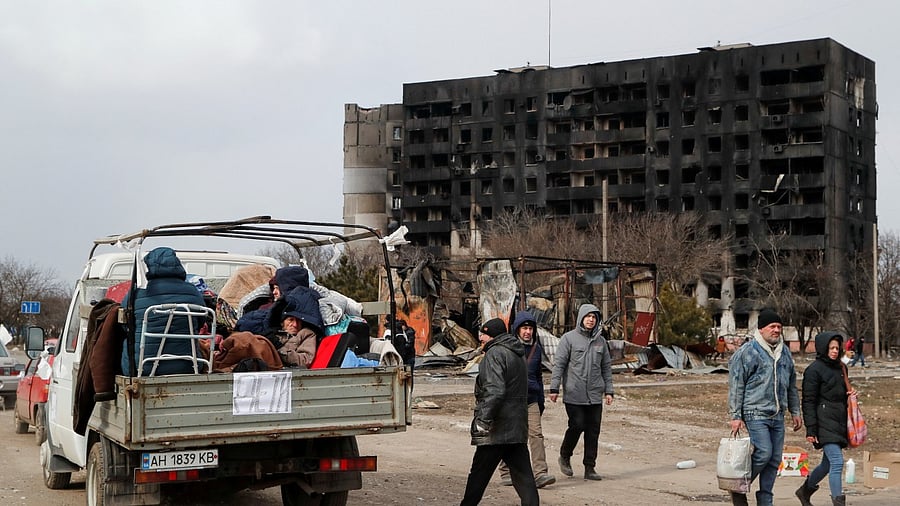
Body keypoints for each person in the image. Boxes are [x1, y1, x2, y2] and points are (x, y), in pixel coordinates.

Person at [460, 318, 539, 506]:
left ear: (492, 336)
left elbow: (495, 391)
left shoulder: (495, 353)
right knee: (524, 479)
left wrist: (483, 421)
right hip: (516, 428)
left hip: (496, 428)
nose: (480, 338)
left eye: (483, 334)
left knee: (478, 476)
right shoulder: (517, 352)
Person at [727, 308, 802, 506]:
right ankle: (738, 486)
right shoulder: (748, 351)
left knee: (775, 459)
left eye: (779, 327)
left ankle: (765, 500)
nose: (776, 330)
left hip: (778, 413)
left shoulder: (784, 352)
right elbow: (736, 384)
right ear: (761, 329)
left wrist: (795, 411)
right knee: (764, 453)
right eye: (772, 326)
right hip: (755, 411)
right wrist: (735, 415)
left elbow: (791, 384)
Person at [549, 303, 613, 481]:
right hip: (574, 393)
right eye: (588, 316)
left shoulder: (601, 342)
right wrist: (554, 388)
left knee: (593, 431)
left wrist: (609, 391)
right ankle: (565, 455)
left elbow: (606, 368)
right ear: (581, 318)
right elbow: (559, 365)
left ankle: (590, 467)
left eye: (594, 317)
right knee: (577, 425)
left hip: (594, 395)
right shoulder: (568, 339)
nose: (591, 320)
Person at [120, 247, 207, 376]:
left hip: (142, 368)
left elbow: (125, 325)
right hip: (189, 365)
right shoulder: (192, 291)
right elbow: (201, 321)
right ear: (177, 265)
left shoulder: (136, 293)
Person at [499, 311, 557, 488]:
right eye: (524, 328)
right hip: (512, 400)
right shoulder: (508, 348)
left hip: (531, 399)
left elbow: (538, 376)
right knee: (511, 435)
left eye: (530, 328)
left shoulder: (536, 349)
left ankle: (540, 473)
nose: (527, 332)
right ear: (517, 329)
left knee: (536, 435)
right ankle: (505, 471)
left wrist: (540, 400)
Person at [796, 331, 852, 506]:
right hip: (823, 422)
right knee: (837, 462)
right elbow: (808, 401)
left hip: (839, 420)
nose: (834, 351)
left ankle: (804, 491)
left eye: (837, 348)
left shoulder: (841, 368)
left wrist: (850, 395)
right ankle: (838, 502)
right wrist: (811, 429)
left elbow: (842, 394)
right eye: (831, 348)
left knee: (827, 465)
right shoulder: (813, 370)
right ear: (822, 348)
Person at [396, 320, 417, 391]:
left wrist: (402, 348)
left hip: (409, 356)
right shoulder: (405, 333)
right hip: (408, 356)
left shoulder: (409, 333)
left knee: (409, 373)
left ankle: (409, 389)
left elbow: (409, 344)